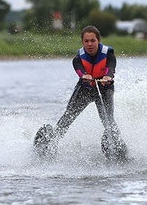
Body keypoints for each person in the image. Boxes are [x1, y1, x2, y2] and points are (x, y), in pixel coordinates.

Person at [34, 25, 128, 162]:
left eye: (93, 41)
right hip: (85, 89)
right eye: (86, 41)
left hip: (104, 88)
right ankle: (49, 144)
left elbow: (111, 68)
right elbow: (79, 69)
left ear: (98, 40)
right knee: (67, 118)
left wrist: (108, 76)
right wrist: (85, 75)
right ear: (82, 42)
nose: (89, 44)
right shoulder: (78, 58)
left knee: (109, 121)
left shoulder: (109, 54)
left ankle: (118, 148)